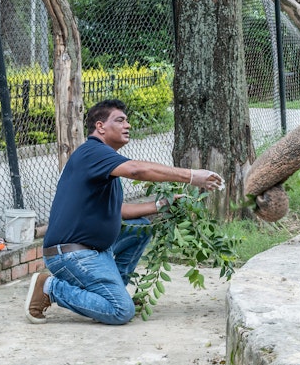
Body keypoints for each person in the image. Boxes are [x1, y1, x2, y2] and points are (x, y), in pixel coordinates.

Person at [24, 98, 224, 325]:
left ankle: (110, 289)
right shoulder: (92, 152)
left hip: (95, 249)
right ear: (100, 127)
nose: (127, 125)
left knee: (141, 228)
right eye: (120, 120)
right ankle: (49, 287)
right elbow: (137, 170)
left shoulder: (105, 161)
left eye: (127, 121)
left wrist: (159, 207)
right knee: (120, 311)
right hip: (71, 254)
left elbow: (116, 210)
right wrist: (191, 176)